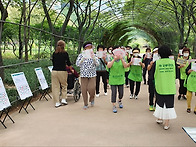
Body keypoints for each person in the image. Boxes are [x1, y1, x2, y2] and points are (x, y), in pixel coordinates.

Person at [152, 45, 177, 130]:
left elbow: (152, 75)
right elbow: (176, 75)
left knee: (160, 104)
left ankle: (160, 118)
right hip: (170, 87)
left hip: (160, 87)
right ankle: (167, 123)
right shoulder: (173, 62)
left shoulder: (157, 63)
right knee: (169, 105)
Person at [76, 42, 99, 109]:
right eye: (88, 47)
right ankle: (85, 103)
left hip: (92, 74)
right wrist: (83, 59)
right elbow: (77, 64)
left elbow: (97, 64)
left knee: (91, 88)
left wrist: (94, 58)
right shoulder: (81, 55)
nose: (89, 49)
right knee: (84, 89)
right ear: (85, 48)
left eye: (90, 47)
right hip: (84, 74)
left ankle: (92, 98)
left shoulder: (94, 55)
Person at [51, 40, 72, 108]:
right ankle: (63, 99)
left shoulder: (54, 53)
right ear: (64, 46)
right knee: (64, 85)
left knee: (55, 87)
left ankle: (57, 102)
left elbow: (53, 63)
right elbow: (68, 63)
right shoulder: (65, 53)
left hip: (54, 71)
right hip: (62, 71)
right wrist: (71, 69)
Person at [107, 46, 127, 113]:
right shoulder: (110, 58)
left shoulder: (123, 59)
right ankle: (114, 105)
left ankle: (120, 100)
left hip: (121, 79)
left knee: (121, 93)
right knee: (114, 92)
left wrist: (121, 59)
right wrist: (113, 60)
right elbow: (108, 66)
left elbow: (125, 66)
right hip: (113, 79)